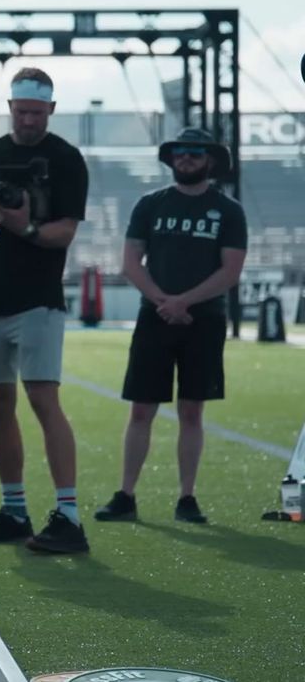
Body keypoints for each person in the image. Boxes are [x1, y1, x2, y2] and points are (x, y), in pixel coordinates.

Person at [0, 67, 90, 554]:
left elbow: (65, 232)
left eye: (36, 112)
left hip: (38, 298)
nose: (28, 120)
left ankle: (68, 514)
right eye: (21, 111)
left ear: (51, 109)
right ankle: (14, 509)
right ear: (10, 108)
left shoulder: (66, 159)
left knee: (43, 397)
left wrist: (25, 227)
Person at [95, 127, 247, 525]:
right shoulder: (151, 205)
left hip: (204, 319)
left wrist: (184, 301)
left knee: (192, 410)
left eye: (195, 153)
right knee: (141, 408)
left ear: (210, 160)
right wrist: (164, 301)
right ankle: (126, 494)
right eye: (180, 152)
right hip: (155, 317)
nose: (186, 158)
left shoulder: (228, 211)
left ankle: (187, 497)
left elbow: (230, 271)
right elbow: (131, 262)